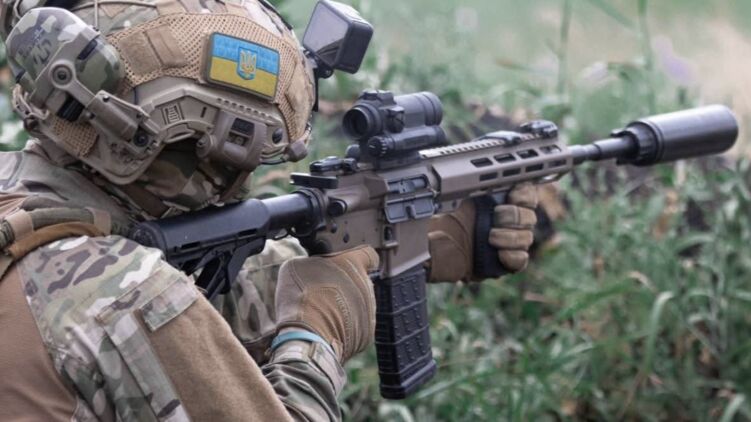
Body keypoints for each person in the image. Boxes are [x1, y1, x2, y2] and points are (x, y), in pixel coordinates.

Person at [0, 0, 540, 420]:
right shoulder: (126, 294)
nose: (237, 181)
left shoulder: (28, 207)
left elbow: (224, 287)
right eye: (232, 160)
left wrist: (419, 240)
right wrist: (316, 333)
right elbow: (160, 301)